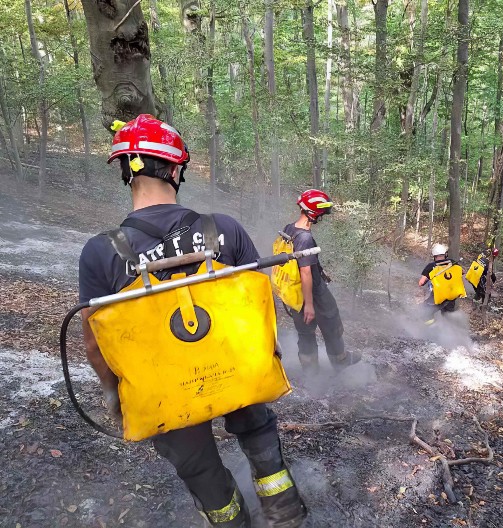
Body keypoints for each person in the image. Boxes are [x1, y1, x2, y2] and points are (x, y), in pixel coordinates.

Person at [77, 114, 307, 528]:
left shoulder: (101, 253)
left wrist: (115, 397)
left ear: (125, 171)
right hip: (235, 371)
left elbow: (95, 343)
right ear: (175, 169)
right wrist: (269, 355)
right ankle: (285, 513)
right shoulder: (224, 230)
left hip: (164, 388)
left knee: (198, 464)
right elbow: (259, 303)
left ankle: (231, 521)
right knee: (257, 430)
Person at [282, 189, 360, 375]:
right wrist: (309, 305)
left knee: (305, 332)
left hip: (294, 292)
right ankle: (340, 360)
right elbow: (305, 272)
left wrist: (320, 270)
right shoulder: (305, 238)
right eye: (321, 213)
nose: (322, 217)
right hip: (313, 292)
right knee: (332, 322)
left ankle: (311, 373)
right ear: (314, 212)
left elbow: (297, 262)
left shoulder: (289, 229)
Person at [418, 243, 460, 324]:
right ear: (445, 254)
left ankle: (431, 327)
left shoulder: (431, 266)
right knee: (448, 316)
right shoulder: (453, 263)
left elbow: (421, 282)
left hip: (437, 296)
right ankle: (450, 329)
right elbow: (462, 273)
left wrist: (428, 279)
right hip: (451, 296)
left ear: (434, 256)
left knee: (425, 310)